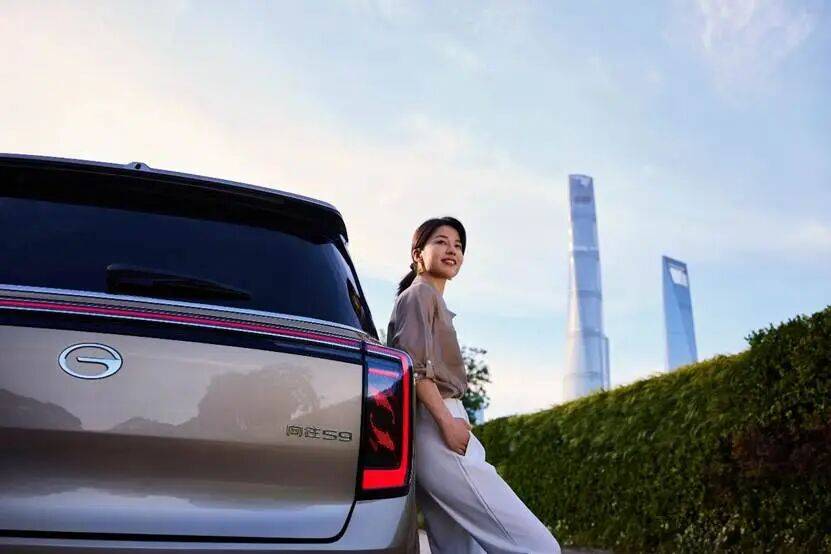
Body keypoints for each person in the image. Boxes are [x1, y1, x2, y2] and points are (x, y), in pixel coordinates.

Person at [386, 216, 561, 554]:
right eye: (441, 242)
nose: (452, 250)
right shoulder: (419, 294)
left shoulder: (426, 298)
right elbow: (417, 371)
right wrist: (447, 423)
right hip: (437, 423)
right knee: (540, 547)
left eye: (458, 245)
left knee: (458, 548)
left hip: (430, 424)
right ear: (418, 254)